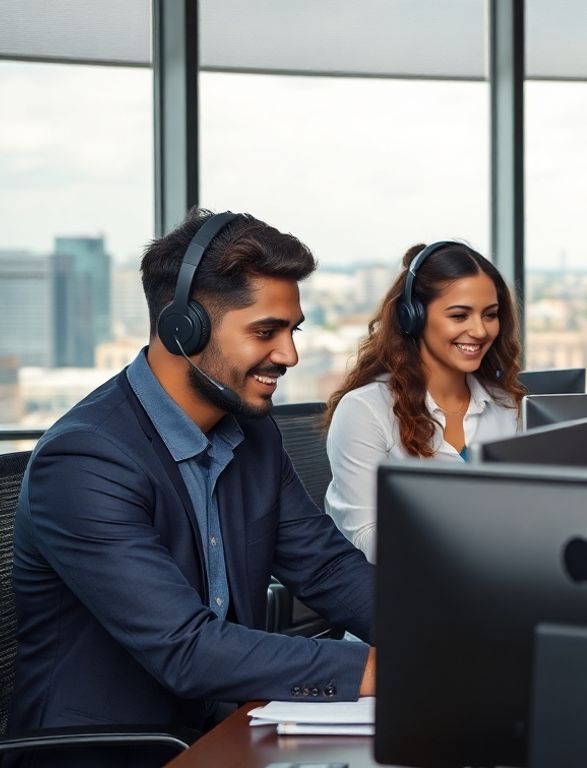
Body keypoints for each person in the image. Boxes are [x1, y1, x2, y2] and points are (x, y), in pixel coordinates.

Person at [10, 210, 375, 766]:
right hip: (113, 752)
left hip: (223, 732)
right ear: (184, 327)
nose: (289, 355)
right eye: (265, 331)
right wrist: (377, 670)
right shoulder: (85, 460)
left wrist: (438, 636)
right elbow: (186, 649)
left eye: (291, 330)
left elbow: (325, 567)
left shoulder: (253, 435)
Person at [323, 241, 523, 562]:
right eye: (459, 315)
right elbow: (365, 537)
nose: (480, 330)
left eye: (490, 315)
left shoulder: (508, 406)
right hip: (406, 592)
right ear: (412, 317)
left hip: (501, 579)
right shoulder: (364, 411)